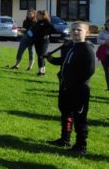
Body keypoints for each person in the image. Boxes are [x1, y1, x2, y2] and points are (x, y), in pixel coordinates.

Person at [45, 22, 94, 155]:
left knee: (79, 117)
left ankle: (81, 146)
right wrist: (50, 59)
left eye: (79, 30)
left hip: (79, 90)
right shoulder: (71, 46)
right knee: (65, 112)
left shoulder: (86, 49)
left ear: (87, 33)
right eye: (73, 30)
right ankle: (65, 139)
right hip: (66, 87)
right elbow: (63, 62)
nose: (76, 32)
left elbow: (89, 71)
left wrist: (74, 84)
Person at [31, 10, 55, 76]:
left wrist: (46, 34)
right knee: (40, 55)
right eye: (37, 14)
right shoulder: (37, 22)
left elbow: (53, 29)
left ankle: (40, 71)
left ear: (42, 15)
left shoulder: (46, 22)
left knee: (41, 56)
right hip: (37, 41)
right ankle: (43, 71)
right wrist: (26, 34)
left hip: (44, 41)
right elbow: (33, 30)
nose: (37, 15)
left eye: (38, 14)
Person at [96, 19, 109, 91]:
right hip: (104, 54)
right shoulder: (102, 32)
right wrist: (105, 42)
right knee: (107, 71)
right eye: (108, 24)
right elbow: (98, 40)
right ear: (106, 25)